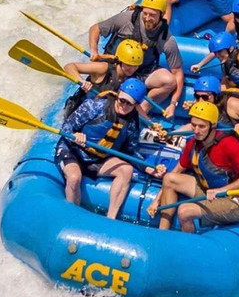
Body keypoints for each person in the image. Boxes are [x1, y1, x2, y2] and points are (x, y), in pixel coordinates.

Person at [55, 79, 164, 219]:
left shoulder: (131, 123)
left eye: (129, 103)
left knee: (126, 170)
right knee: (75, 177)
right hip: (72, 151)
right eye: (122, 100)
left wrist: (146, 167)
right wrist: (74, 135)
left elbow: (129, 150)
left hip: (97, 159)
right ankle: (71, 217)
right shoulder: (94, 106)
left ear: (136, 105)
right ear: (118, 93)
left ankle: (111, 218)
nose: (123, 105)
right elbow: (66, 127)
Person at [146, 101, 239, 233]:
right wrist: (156, 201)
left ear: (213, 125)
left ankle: (189, 243)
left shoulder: (229, 144)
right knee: (170, 178)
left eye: (202, 126)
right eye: (193, 125)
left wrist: (222, 190)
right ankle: (162, 233)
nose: (196, 130)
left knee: (184, 211)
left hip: (235, 201)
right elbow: (176, 171)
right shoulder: (193, 143)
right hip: (209, 189)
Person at [88, 0, 184, 119]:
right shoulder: (127, 19)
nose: (147, 18)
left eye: (152, 15)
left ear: (161, 15)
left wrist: (173, 104)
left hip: (141, 71)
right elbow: (95, 29)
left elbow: (177, 73)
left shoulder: (166, 38)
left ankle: (142, 109)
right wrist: (94, 50)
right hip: (116, 67)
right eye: (145, 13)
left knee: (169, 81)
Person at [181, 75, 239, 173]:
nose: (200, 101)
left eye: (205, 97)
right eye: (197, 96)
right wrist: (171, 134)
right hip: (223, 146)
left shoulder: (232, 104)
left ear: (216, 95)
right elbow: (194, 126)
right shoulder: (202, 104)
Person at [62, 39, 144, 118]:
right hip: (77, 111)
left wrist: (150, 123)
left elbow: (134, 102)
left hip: (100, 115)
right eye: (129, 65)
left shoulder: (130, 80)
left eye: (136, 66)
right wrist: (82, 81)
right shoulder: (103, 68)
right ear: (120, 61)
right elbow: (69, 67)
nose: (132, 69)